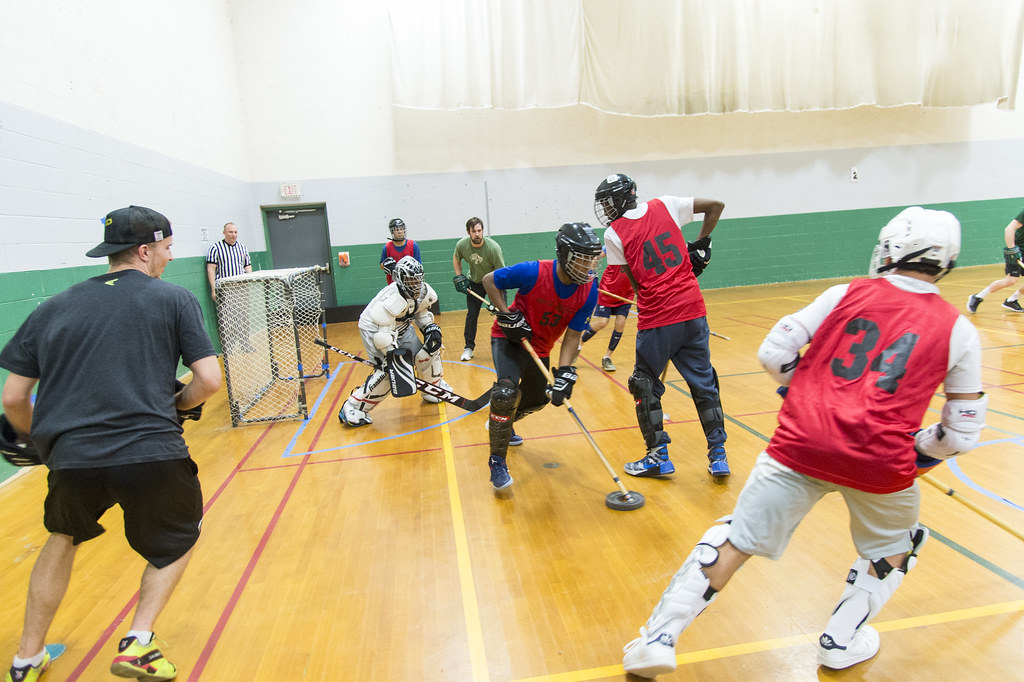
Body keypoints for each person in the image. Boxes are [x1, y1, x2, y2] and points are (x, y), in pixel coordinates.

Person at [621, 207, 985, 677]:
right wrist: (920, 448)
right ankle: (840, 641)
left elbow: (774, 352)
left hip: (801, 443)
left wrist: (806, 387)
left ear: (892, 248)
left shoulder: (845, 293)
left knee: (737, 539)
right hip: (881, 462)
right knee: (898, 545)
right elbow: (960, 435)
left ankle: (658, 640)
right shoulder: (959, 330)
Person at [1, 206, 222, 682]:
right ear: (144, 251)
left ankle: (25, 659)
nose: (169, 257)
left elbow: (14, 397)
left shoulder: (53, 307)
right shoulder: (175, 298)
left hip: (72, 458)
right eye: (166, 248)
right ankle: (138, 643)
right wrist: (179, 405)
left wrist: (36, 440)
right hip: (151, 451)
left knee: (62, 537)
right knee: (180, 535)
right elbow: (209, 380)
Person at [593, 173, 730, 478]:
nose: (605, 209)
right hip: (693, 309)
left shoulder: (613, 234)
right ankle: (718, 455)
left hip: (657, 318)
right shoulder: (666, 204)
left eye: (607, 202)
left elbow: (636, 284)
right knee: (704, 383)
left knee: (643, 383)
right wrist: (701, 242)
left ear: (620, 198)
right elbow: (716, 206)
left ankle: (657, 456)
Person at [481, 222, 602, 490]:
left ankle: (504, 422)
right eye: (583, 259)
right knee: (505, 393)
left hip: (541, 348)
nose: (589, 267)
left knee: (539, 399)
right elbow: (490, 280)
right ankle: (497, 461)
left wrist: (566, 371)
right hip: (509, 339)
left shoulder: (589, 291)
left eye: (592, 260)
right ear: (565, 255)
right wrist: (506, 314)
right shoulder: (534, 271)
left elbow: (572, 336)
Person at [339, 256, 453, 426]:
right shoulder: (391, 299)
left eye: (418, 279)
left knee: (428, 352)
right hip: (376, 330)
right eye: (411, 280)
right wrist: (394, 358)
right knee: (390, 371)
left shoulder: (422, 292)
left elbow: (421, 313)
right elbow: (383, 337)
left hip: (402, 326)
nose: (416, 284)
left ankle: (433, 388)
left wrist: (430, 328)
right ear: (401, 280)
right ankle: (354, 406)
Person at [452, 217, 506, 362]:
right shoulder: (462, 245)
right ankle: (468, 348)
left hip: (494, 282)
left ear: (482, 230)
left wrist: (497, 297)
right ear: (468, 232)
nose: (477, 234)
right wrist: (459, 276)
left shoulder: (493, 248)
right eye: (474, 231)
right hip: (475, 282)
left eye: (479, 230)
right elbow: (456, 258)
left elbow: (501, 273)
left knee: (503, 315)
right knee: (472, 315)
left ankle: (507, 348)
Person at [580, 259, 634, 372]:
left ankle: (607, 357)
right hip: (608, 291)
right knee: (602, 322)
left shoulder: (640, 254)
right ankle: (579, 345)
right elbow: (598, 256)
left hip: (626, 294)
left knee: (621, 322)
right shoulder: (616, 249)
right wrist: (591, 273)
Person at [966, 208, 1024, 313]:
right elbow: (1009, 228)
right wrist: (1012, 250)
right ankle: (978, 297)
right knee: (1011, 280)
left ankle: (1012, 300)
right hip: (1018, 249)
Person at [206, 221, 252, 301]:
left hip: (241, 286)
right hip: (224, 288)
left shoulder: (242, 247)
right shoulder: (215, 248)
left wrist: (250, 280)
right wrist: (213, 290)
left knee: (243, 308)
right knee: (226, 309)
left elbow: (247, 266)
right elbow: (211, 269)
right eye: (230, 232)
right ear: (224, 233)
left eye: (235, 232)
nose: (233, 235)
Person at [379, 218, 421, 284]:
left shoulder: (413, 245)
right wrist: (387, 265)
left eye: (401, 229)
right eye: (396, 230)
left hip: (410, 283)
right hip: (393, 283)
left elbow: (418, 265)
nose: (400, 232)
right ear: (392, 232)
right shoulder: (387, 247)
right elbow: (381, 266)